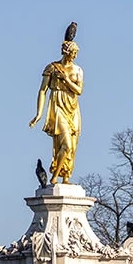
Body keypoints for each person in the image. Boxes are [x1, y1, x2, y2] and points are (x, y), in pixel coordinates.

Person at [29, 40, 83, 184]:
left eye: (75, 54)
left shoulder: (78, 70)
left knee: (73, 145)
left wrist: (65, 79)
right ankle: (54, 177)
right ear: (66, 53)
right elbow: (42, 90)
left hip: (73, 107)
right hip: (57, 104)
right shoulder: (52, 68)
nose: (74, 56)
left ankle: (66, 176)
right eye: (73, 53)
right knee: (66, 144)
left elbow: (79, 90)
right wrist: (39, 114)